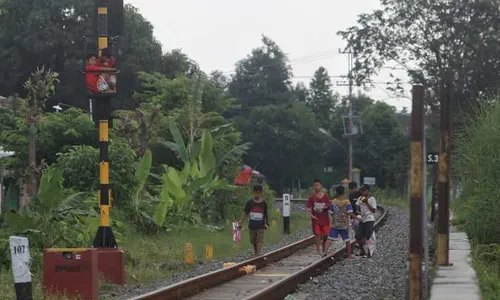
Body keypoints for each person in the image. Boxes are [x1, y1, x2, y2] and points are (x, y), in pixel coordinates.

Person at [324, 185, 360, 258]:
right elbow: (350, 212)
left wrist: (331, 223)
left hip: (335, 224)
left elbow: (330, 213)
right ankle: (349, 255)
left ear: (336, 192)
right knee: (347, 240)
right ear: (344, 192)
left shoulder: (334, 201)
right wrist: (357, 218)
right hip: (344, 225)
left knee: (329, 239)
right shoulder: (347, 202)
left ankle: (325, 252)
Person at [238, 185, 269, 256]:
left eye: (258, 193)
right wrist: (241, 221)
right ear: (253, 193)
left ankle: (258, 255)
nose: (257, 195)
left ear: (261, 193)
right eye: (255, 193)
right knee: (253, 240)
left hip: (261, 225)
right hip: (252, 225)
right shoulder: (250, 202)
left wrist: (266, 223)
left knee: (259, 240)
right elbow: (245, 212)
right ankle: (256, 253)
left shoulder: (264, 203)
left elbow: (265, 214)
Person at [307, 179, 331, 255]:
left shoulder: (326, 196)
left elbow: (329, 206)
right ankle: (318, 249)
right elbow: (308, 209)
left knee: (326, 235)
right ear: (313, 187)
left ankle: (324, 248)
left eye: (318, 185)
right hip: (316, 219)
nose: (316, 187)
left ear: (321, 186)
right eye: (315, 185)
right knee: (317, 234)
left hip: (325, 219)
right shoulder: (312, 198)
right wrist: (311, 215)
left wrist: (323, 208)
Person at [355, 184, 377, 258]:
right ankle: (362, 250)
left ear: (368, 190)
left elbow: (373, 210)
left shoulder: (372, 199)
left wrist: (367, 202)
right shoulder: (360, 198)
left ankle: (369, 252)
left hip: (369, 219)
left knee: (368, 236)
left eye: (364, 190)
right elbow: (357, 209)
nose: (362, 192)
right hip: (362, 219)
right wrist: (359, 213)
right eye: (361, 191)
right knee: (358, 235)